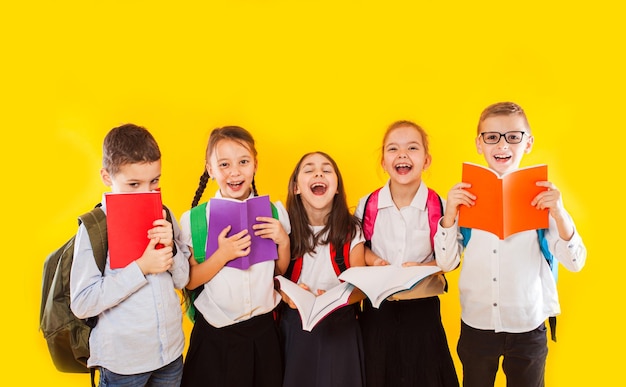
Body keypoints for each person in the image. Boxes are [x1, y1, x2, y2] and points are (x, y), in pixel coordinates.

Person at [434, 101, 587, 387]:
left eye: (513, 136)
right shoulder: (464, 197)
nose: (502, 144)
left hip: (528, 325)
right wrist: (449, 216)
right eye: (492, 137)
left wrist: (560, 213)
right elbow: (445, 263)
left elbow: (575, 262)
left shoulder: (544, 198)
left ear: (528, 143)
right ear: (479, 144)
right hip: (477, 324)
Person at [70, 123, 190, 386]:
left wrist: (171, 249)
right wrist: (141, 268)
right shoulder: (95, 228)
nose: (147, 193)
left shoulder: (164, 214)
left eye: (154, 181)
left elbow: (182, 281)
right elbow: (82, 303)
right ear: (107, 176)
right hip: (124, 364)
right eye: (134, 183)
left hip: (169, 354)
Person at [179, 126, 291, 387]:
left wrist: (283, 242)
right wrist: (223, 255)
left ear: (255, 164)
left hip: (263, 335)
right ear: (210, 169)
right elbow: (190, 281)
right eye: (224, 164)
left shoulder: (273, 212)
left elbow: (278, 272)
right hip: (215, 339)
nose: (235, 172)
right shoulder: (195, 220)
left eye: (243, 162)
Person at [354, 120, 459, 387]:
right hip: (378, 313)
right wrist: (373, 261)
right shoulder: (368, 205)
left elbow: (450, 261)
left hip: (423, 314)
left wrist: (425, 268)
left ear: (426, 160)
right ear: (383, 161)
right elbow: (359, 249)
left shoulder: (441, 206)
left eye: (412, 148)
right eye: (393, 149)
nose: (402, 155)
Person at [280, 151, 366, 387]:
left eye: (327, 170)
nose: (318, 172)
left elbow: (361, 287)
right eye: (309, 169)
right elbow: (271, 277)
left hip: (341, 328)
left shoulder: (352, 230)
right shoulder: (284, 228)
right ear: (296, 187)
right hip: (294, 328)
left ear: (337, 187)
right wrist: (288, 296)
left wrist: (334, 300)